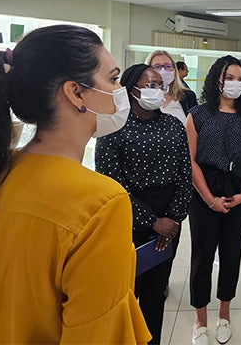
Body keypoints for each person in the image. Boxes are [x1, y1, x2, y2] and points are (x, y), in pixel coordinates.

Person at [0, 25, 150, 343]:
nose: (120, 92)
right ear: (76, 92)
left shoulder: (1, 171)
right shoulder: (101, 201)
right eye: (114, 79)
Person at [95, 63, 193, 344]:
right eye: (148, 85)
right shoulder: (113, 127)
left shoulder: (173, 124)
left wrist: (173, 219)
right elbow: (112, 184)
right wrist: (152, 222)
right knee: (126, 294)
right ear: (130, 88)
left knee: (156, 294)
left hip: (171, 221)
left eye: (159, 86)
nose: (155, 91)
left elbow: (186, 174)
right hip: (129, 220)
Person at [185, 55, 241, 345]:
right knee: (202, 256)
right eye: (230, 77)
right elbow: (190, 161)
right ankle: (200, 319)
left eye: (240, 78)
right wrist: (208, 198)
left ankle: (224, 314)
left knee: (231, 255)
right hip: (204, 186)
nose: (235, 83)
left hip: (238, 193)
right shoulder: (199, 114)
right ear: (217, 79)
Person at [146, 50, 196, 122]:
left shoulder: (188, 96)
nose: (163, 70)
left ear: (175, 71)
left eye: (168, 66)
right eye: (157, 66)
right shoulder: (142, 97)